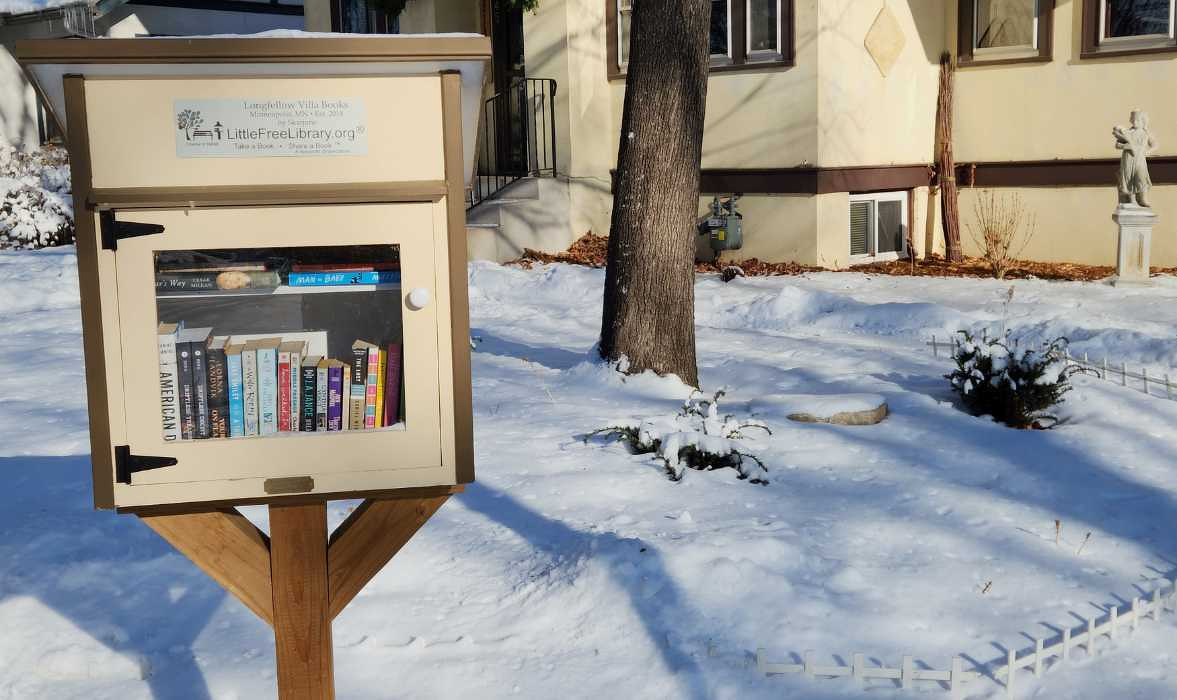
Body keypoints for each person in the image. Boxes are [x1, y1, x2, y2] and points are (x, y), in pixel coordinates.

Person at [1114, 110, 1156, 208]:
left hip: (1140, 160)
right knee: (1129, 178)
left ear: (1143, 121)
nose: (1134, 122)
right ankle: (1131, 200)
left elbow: (1154, 145)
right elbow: (1117, 144)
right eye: (1133, 119)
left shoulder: (1146, 133)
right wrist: (1127, 146)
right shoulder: (1128, 132)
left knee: (1141, 177)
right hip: (1128, 159)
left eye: (1137, 120)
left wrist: (1146, 152)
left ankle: (1143, 199)